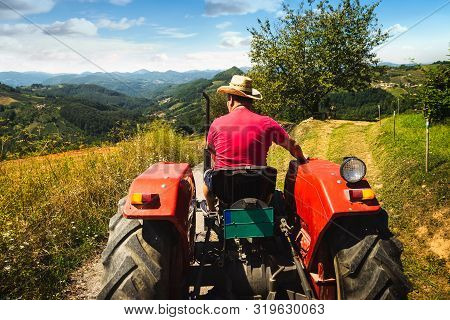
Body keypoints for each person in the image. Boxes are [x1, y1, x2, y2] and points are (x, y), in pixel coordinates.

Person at [203, 75, 307, 211]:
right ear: (251, 100)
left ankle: (211, 211)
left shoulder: (217, 123)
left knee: (207, 177)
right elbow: (293, 146)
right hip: (260, 189)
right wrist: (302, 159)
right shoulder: (267, 122)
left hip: (226, 191)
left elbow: (211, 150)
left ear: (231, 99)